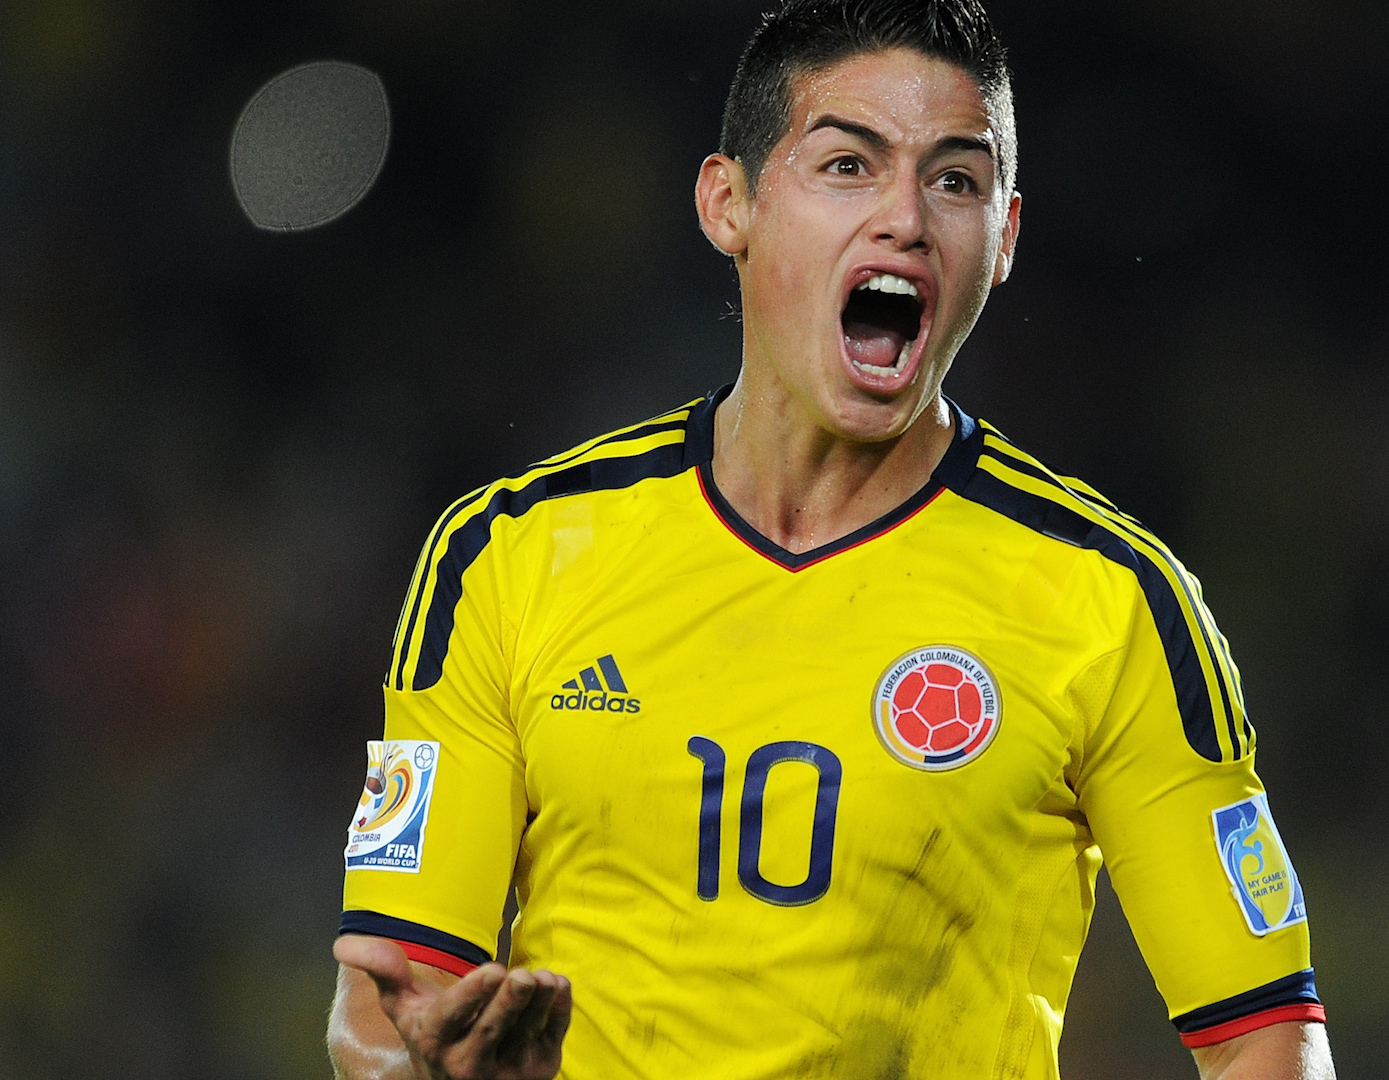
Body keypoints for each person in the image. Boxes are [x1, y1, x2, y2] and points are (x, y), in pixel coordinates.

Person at [327, 2, 1335, 1077]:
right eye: (849, 165)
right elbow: (386, 1005)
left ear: (1004, 241)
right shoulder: (511, 557)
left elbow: (1264, 1039)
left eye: (955, 180)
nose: (906, 217)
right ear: (730, 203)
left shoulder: (1111, 602)